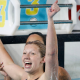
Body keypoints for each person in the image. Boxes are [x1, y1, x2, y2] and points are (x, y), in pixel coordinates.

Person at [0, 0, 59, 80]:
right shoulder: (23, 76)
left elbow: (52, 54)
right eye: (24, 53)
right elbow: (7, 63)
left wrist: (50, 19)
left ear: (43, 58)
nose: (26, 57)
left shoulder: (47, 78)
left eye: (32, 53)